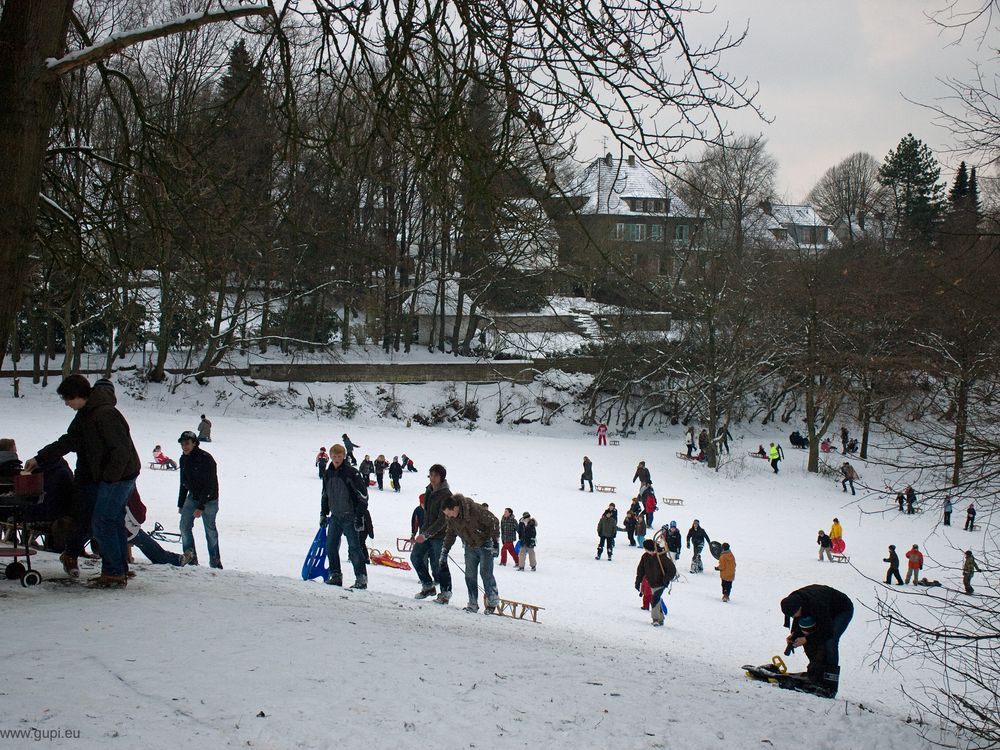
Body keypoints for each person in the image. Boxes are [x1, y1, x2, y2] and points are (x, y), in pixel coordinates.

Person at [26, 376, 141, 588]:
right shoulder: (85, 414)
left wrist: (109, 479)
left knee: (102, 521)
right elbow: (68, 441)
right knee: (112, 520)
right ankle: (118, 569)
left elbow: (121, 451)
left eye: (67, 399)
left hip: (120, 476)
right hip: (107, 476)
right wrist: (39, 458)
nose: (66, 404)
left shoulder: (105, 414)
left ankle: (114, 573)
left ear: (78, 395)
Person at [780, 584, 854, 698]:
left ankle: (830, 684)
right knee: (808, 634)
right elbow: (798, 621)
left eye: (794, 614)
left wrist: (805, 639)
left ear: (799, 607)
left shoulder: (817, 605)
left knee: (831, 641)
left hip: (842, 610)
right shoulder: (793, 601)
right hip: (824, 608)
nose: (794, 617)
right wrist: (794, 635)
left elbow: (827, 631)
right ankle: (816, 671)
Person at [439, 493, 501, 614]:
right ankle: (472, 604)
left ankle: (492, 601)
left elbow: (494, 521)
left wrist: (495, 543)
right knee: (469, 575)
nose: (447, 516)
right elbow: (450, 535)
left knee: (485, 573)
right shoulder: (452, 519)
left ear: (455, 508)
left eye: (448, 513)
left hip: (485, 544)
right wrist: (445, 550)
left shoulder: (475, 510)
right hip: (469, 546)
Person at [319, 444, 369, 588]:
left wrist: (359, 516)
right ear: (330, 456)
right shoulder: (328, 474)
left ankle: (361, 578)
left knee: (354, 548)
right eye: (334, 457)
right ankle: (335, 575)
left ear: (344, 456)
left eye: (339, 456)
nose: (336, 459)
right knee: (331, 546)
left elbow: (363, 496)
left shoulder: (351, 473)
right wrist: (323, 513)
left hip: (350, 516)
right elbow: (325, 495)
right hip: (335, 516)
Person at [177, 429, 221, 568]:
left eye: (187, 443)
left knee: (210, 531)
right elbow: (183, 482)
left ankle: (215, 562)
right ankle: (190, 558)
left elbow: (210, 484)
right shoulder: (183, 459)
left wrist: (201, 506)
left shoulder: (206, 459)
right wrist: (181, 503)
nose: (185, 446)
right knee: (184, 526)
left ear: (194, 443)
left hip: (209, 499)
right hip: (193, 497)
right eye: (182, 444)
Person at [410, 463, 453, 602]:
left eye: (436, 475)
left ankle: (445, 593)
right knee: (415, 557)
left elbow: (443, 520)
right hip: (426, 532)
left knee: (440, 564)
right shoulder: (428, 491)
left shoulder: (446, 495)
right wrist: (423, 531)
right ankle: (428, 586)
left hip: (440, 535)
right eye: (431, 475)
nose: (432, 478)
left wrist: (426, 534)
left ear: (442, 477)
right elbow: (427, 515)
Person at [126, 488, 185, 567]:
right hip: (126, 530)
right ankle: (177, 560)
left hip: (111, 528)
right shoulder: (127, 486)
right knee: (155, 551)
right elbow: (138, 515)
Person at [635, 539, 676, 626]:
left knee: (655, 600)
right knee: (656, 600)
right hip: (652, 582)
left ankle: (655, 619)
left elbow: (672, 570)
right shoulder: (645, 557)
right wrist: (638, 581)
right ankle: (661, 619)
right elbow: (640, 570)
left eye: (646, 549)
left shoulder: (661, 556)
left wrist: (666, 579)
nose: (645, 551)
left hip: (661, 583)